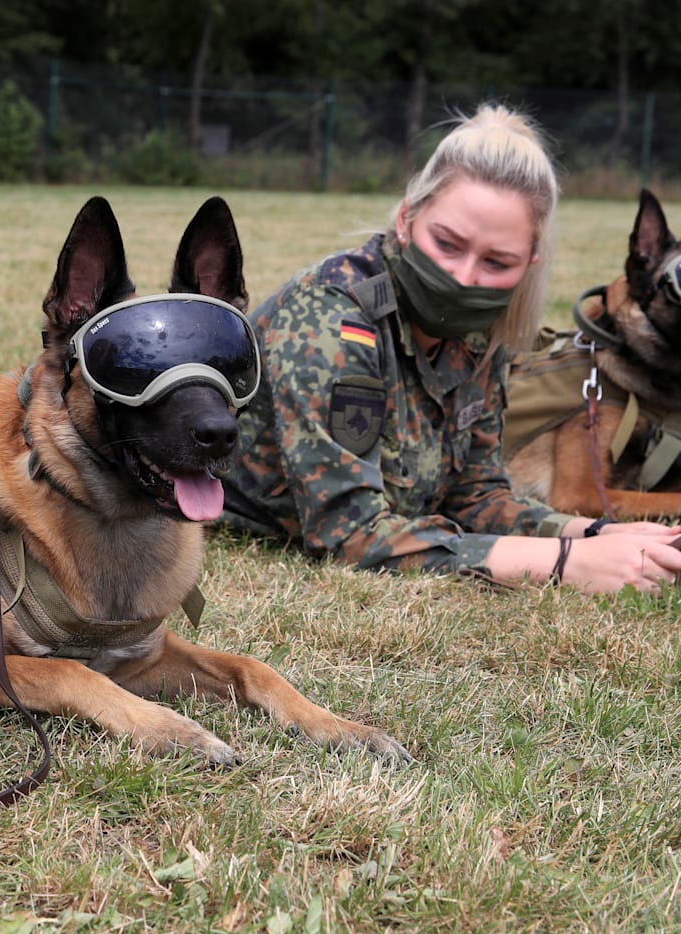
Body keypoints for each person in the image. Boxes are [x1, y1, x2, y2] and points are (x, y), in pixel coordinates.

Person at [220, 104, 681, 593]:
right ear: (406, 218)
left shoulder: (484, 333)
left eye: (497, 261)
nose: (463, 278)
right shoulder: (332, 322)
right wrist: (569, 561)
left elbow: (475, 495)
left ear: (529, 262)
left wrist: (596, 532)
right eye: (446, 244)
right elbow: (350, 534)